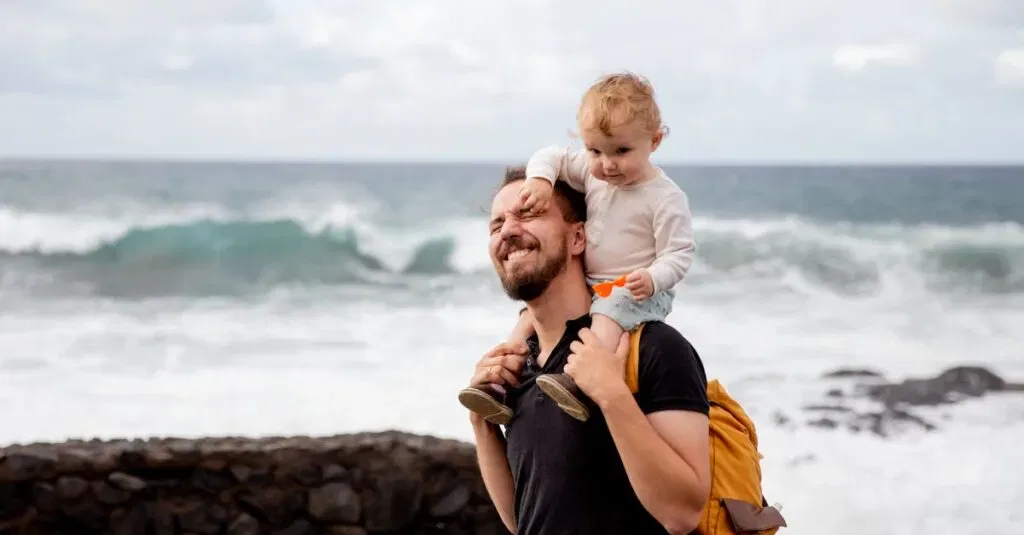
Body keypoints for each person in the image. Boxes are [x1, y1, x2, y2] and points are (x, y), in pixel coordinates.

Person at [465, 165, 710, 534]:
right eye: (496, 225)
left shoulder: (654, 348)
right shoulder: (520, 370)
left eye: (528, 213)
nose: (509, 231)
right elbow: (524, 521)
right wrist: (482, 425)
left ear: (578, 237)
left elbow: (683, 514)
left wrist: (612, 395)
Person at [459, 71, 696, 424]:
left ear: (655, 141)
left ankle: (577, 384)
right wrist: (540, 182)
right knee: (528, 318)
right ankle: (501, 383)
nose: (606, 164)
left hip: (638, 289)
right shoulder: (592, 172)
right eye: (594, 150)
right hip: (596, 283)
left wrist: (653, 277)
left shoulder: (665, 198)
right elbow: (550, 156)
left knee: (606, 313)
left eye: (622, 151)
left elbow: (679, 253)